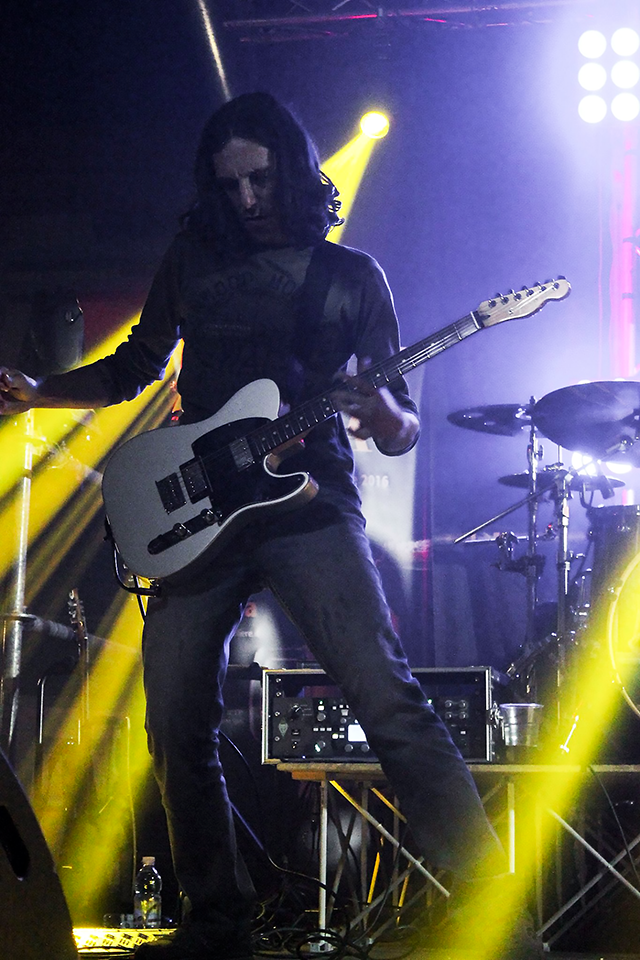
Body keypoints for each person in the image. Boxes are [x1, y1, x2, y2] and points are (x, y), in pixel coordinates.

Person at [0, 93, 535, 960]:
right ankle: (216, 922)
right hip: (201, 507)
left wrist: (383, 418)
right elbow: (136, 366)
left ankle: (494, 920)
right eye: (230, 185)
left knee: (387, 698)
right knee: (175, 722)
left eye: (259, 179)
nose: (246, 198)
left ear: (292, 169)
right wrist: (40, 392)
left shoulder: (351, 276)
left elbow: (399, 423)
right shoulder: (193, 258)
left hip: (309, 505)